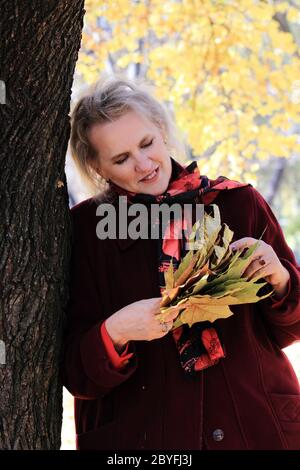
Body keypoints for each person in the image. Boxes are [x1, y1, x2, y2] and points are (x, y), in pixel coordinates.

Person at [62, 77, 300, 450]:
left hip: (256, 428)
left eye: (147, 144)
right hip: (145, 441)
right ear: (98, 168)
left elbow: (291, 330)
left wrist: (280, 278)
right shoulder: (86, 234)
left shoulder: (238, 203)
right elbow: (76, 374)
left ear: (161, 130)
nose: (143, 165)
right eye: (121, 159)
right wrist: (115, 332)